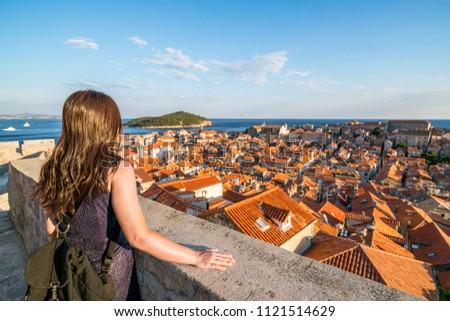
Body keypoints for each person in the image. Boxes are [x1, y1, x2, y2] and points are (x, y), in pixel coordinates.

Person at [32, 90, 235, 300]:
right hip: (107, 280)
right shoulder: (116, 169)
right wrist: (197, 257)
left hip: (68, 275)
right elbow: (138, 237)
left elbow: (51, 228)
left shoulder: (52, 168)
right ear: (106, 125)